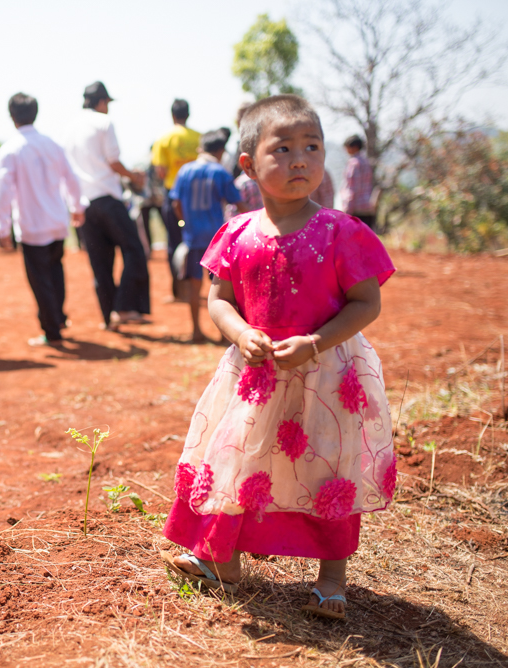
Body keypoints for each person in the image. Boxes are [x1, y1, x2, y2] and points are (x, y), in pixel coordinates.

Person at [160, 95, 396, 621]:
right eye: (283, 148)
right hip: (256, 376)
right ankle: (222, 560)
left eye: (311, 147)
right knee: (240, 459)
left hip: (328, 376)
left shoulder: (343, 232)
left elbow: (367, 302)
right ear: (248, 165)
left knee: (328, 470)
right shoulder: (236, 234)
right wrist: (241, 333)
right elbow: (218, 299)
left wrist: (315, 343)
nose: (299, 160)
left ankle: (331, 581)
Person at [0, 93, 83, 348]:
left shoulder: (10, 149)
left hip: (32, 226)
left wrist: (2, 226)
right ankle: (59, 318)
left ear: (12, 117)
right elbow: (71, 177)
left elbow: (3, 190)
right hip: (56, 221)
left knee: (40, 279)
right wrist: (77, 206)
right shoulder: (52, 145)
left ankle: (52, 330)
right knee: (56, 273)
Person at [65, 81, 149, 330]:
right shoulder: (103, 122)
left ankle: (108, 316)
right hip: (107, 199)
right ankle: (124, 307)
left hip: (84, 203)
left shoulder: (69, 128)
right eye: (107, 103)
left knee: (100, 263)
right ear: (101, 102)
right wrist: (133, 176)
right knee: (134, 250)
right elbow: (113, 161)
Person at [168, 130, 240, 344]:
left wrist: (184, 222)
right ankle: (223, 333)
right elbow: (239, 203)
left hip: (192, 237)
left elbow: (175, 204)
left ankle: (196, 331)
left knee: (193, 284)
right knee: (222, 287)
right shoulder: (220, 172)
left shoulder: (185, 171)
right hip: (217, 239)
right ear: (219, 150)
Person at [152, 99, 201, 297]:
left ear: (172, 115)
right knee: (196, 241)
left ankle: (179, 291)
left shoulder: (164, 139)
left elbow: (160, 171)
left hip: (174, 198)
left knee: (174, 241)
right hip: (197, 198)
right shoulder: (199, 137)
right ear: (188, 114)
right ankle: (197, 286)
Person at [341, 135, 375, 229]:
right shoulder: (366, 162)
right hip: (367, 206)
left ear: (354, 147)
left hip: (356, 208)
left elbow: (353, 187)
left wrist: (348, 209)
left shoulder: (354, 163)